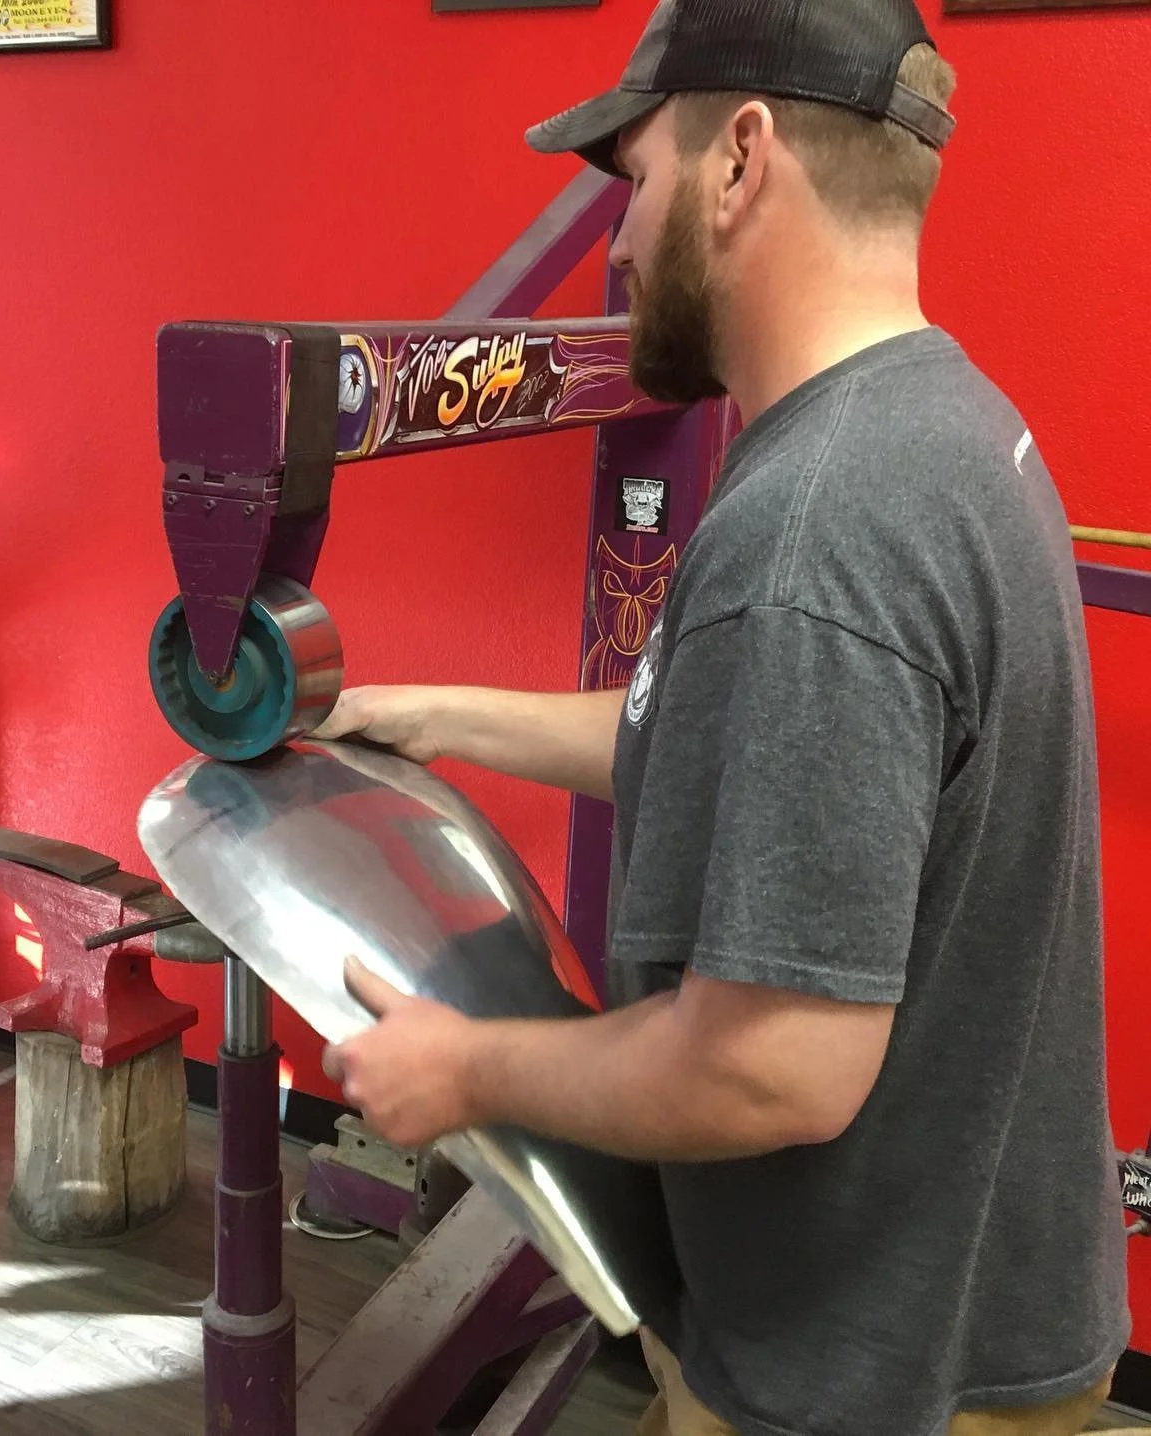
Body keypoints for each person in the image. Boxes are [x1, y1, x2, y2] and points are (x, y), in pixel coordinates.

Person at [315, 0, 1132, 1432]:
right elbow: (746, 745)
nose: (622, 244)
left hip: (874, 1384)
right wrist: (431, 713)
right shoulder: (945, 427)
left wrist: (461, 1068)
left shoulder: (819, 534)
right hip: (949, 1316)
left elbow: (776, 1066)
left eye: (635, 182)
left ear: (740, 159)